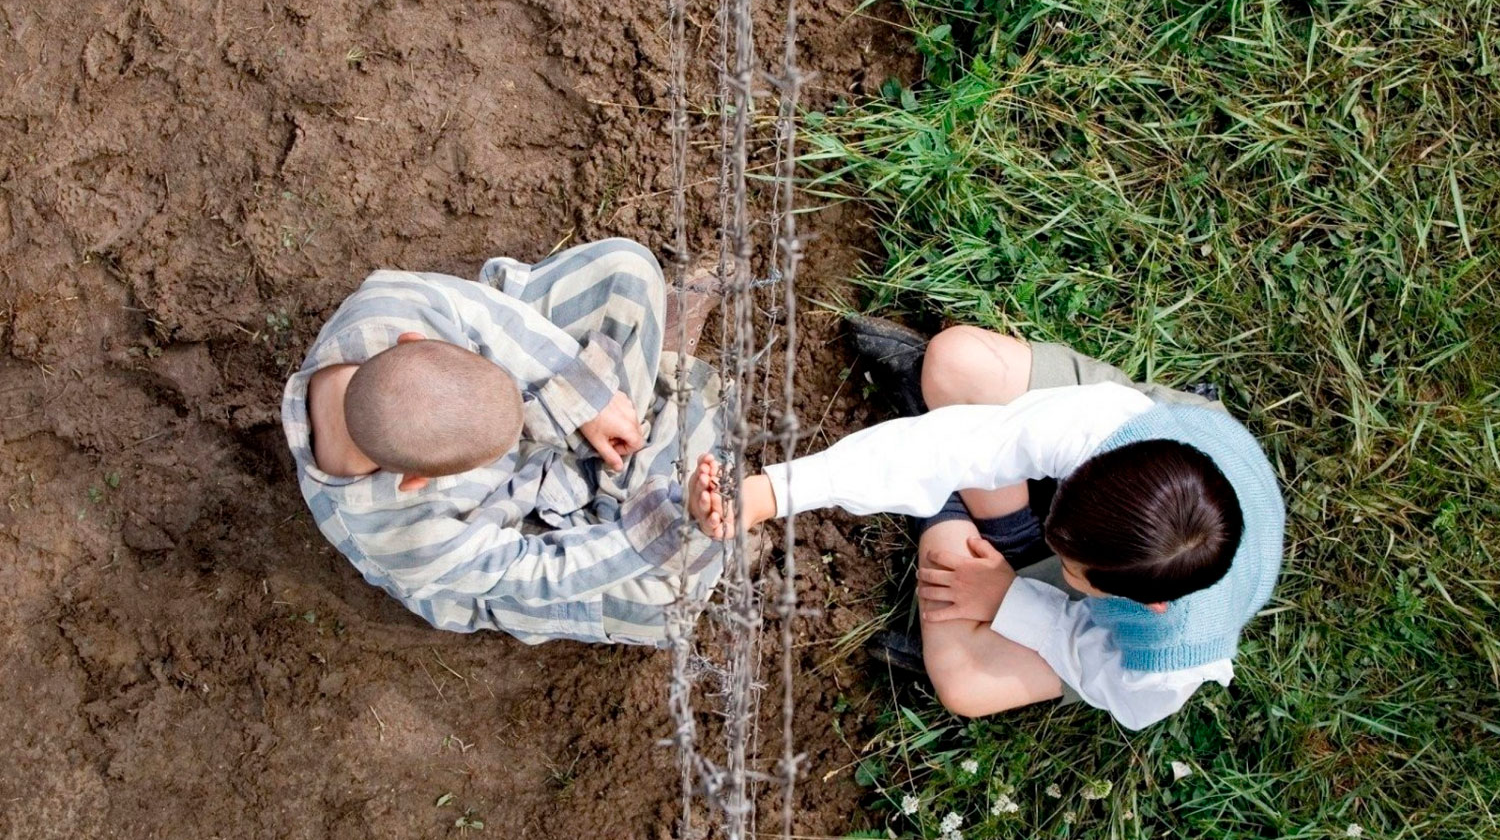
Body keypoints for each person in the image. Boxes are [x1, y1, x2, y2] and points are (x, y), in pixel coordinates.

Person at [693, 320, 1284, 729]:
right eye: (1060, 509)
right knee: (955, 364)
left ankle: (959, 521)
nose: (1069, 567)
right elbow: (965, 446)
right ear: (1100, 465)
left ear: (1146, 604)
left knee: (964, 685)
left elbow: (1093, 664)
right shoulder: (1107, 428)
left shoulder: (1168, 658)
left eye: (1076, 572)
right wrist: (768, 493)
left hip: (1127, 606)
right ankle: (992, 530)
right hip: (1156, 455)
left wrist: (1010, 598)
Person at [280, 238, 727, 646]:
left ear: (412, 341)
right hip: (502, 527)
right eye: (498, 450)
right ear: (417, 480)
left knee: (628, 271)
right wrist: (643, 536)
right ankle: (633, 487)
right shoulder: (407, 539)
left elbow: (498, 325)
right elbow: (533, 571)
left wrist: (584, 398)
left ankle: (622, 465)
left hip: (531, 396)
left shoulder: (390, 304)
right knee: (665, 607)